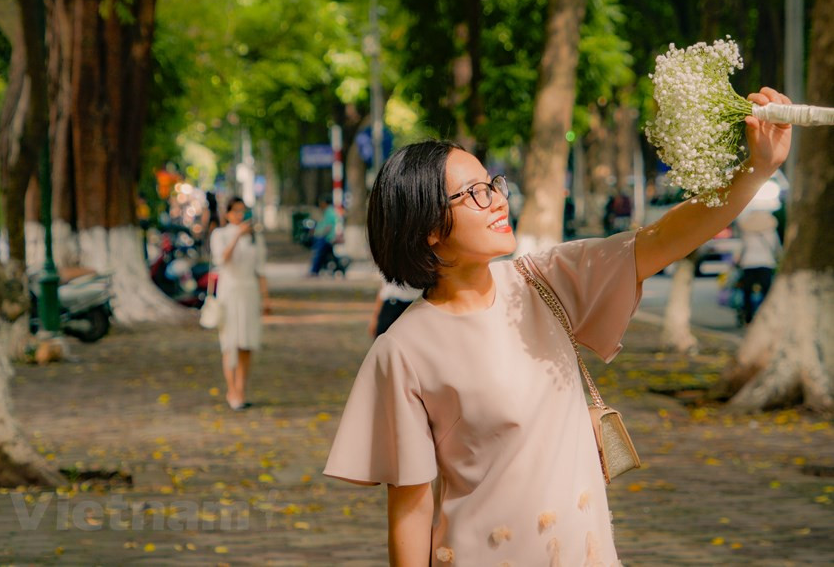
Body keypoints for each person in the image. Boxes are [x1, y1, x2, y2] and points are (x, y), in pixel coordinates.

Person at [323, 88, 791, 565]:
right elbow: (410, 506)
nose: (498, 201)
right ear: (429, 226)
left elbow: (664, 238)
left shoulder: (545, 281)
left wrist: (757, 168)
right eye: (475, 194)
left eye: (494, 184)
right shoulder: (403, 349)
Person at [209, 197, 270, 411]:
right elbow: (221, 260)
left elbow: (260, 269)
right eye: (234, 211)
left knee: (247, 343)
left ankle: (242, 389)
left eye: (242, 211)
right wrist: (236, 237)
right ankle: (231, 389)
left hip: (249, 291)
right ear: (226, 214)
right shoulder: (220, 235)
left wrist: (266, 297)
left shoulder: (255, 237)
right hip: (229, 291)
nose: (239, 215)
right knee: (230, 343)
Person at [735, 210, 782, 324]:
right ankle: (767, 315)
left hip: (748, 264)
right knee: (766, 292)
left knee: (747, 292)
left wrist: (736, 262)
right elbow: (777, 249)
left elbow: (741, 249)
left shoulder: (746, 233)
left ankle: (748, 317)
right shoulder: (771, 233)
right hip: (766, 263)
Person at [309, 194, 339, 276]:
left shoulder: (330, 212)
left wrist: (320, 234)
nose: (320, 205)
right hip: (324, 237)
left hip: (325, 238)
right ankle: (339, 267)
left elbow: (328, 226)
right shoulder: (327, 212)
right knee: (327, 255)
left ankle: (314, 271)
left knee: (318, 254)